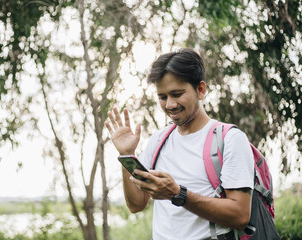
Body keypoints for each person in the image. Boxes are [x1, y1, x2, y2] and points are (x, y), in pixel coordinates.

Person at [104, 48, 254, 240]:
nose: (170, 105)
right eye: (163, 97)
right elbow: (136, 204)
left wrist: (178, 194)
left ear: (200, 90)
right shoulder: (159, 140)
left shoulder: (230, 139)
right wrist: (127, 155)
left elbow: (240, 215)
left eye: (177, 94)